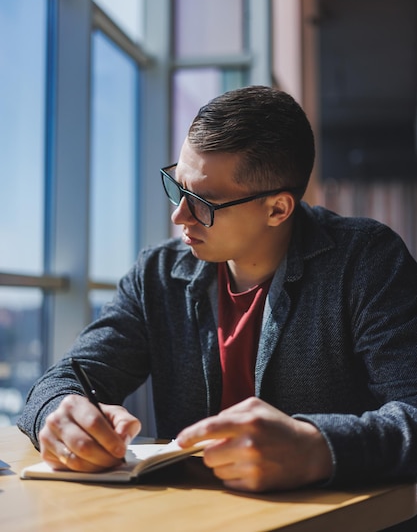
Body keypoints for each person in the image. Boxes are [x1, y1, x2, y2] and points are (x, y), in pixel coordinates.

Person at [18, 86, 417, 525]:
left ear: (278, 209)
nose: (179, 217)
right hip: (195, 520)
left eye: (204, 203)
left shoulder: (366, 260)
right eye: (177, 186)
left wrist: (316, 447)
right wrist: (58, 413)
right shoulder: (158, 274)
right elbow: (68, 377)